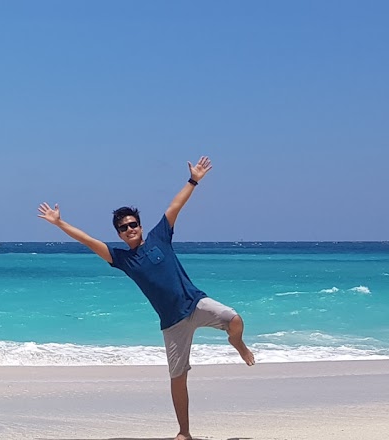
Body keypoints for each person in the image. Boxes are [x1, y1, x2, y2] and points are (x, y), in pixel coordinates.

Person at [36, 155, 254, 440]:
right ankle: (184, 433)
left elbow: (175, 206)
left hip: (196, 303)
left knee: (234, 319)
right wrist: (60, 223)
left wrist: (193, 180)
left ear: (140, 224)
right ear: (119, 233)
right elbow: (89, 241)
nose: (130, 229)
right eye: (124, 227)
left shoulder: (159, 237)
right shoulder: (122, 259)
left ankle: (237, 344)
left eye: (133, 224)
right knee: (178, 378)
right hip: (172, 323)